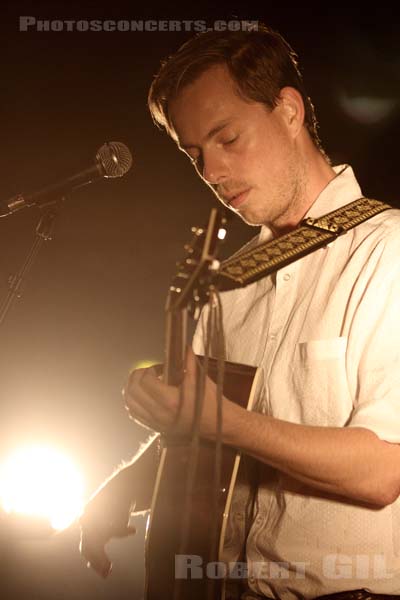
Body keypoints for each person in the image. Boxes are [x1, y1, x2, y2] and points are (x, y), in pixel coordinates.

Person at [80, 25, 400, 599]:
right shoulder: (226, 283)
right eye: (195, 154)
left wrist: (218, 421)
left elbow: (382, 472)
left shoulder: (387, 251)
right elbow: (207, 434)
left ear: (289, 111)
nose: (212, 172)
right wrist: (128, 483)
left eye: (228, 138)